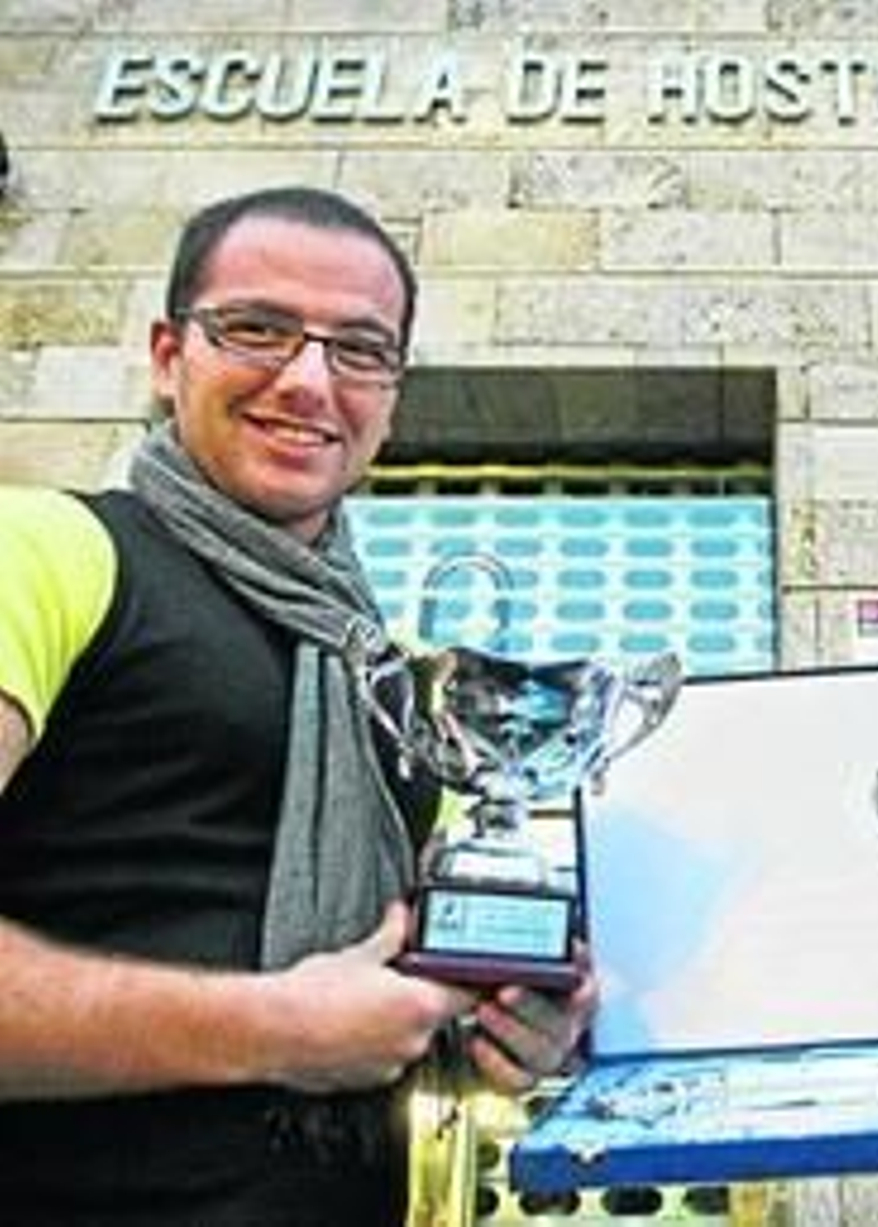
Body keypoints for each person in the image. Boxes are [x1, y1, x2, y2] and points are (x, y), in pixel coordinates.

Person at [0, 186, 596, 1224]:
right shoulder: (49, 550)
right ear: (166, 354)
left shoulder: (400, 688)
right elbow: (308, 1021)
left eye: (360, 350)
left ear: (394, 393)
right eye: (257, 329)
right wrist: (274, 1027)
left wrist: (508, 1027)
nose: (309, 381)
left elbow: (382, 1011)